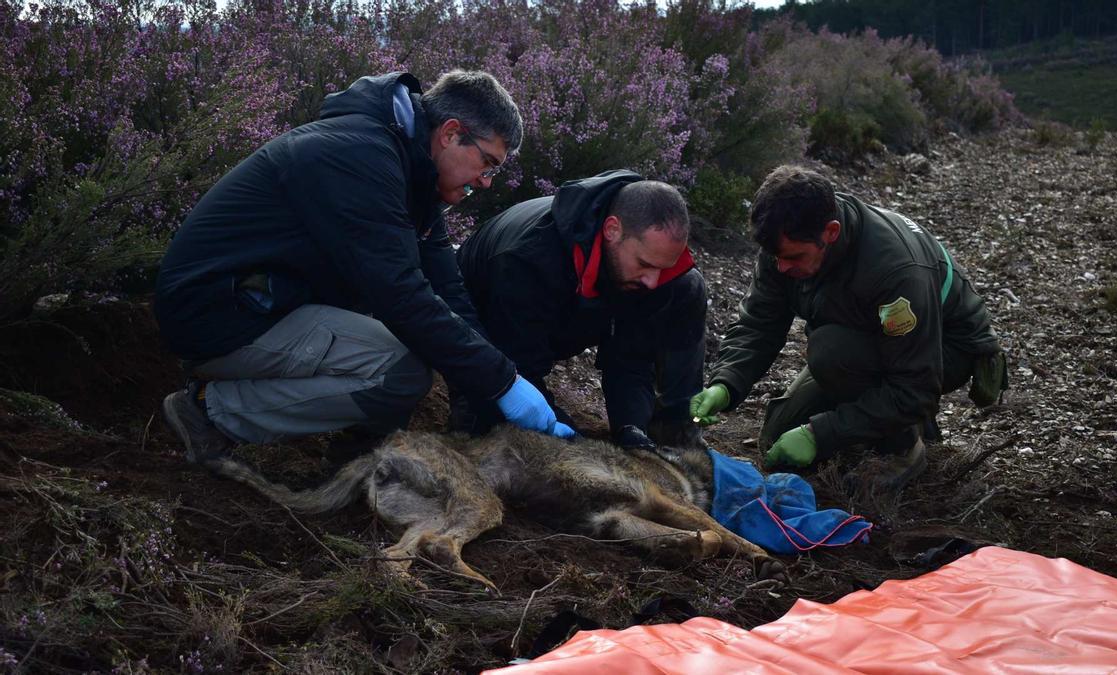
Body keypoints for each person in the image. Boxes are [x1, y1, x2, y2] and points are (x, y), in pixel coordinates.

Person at [155, 70, 573, 466]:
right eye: (489, 163)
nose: (486, 182)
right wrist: (503, 384)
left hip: (263, 302)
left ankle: (362, 452)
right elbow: (400, 294)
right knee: (402, 371)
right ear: (450, 134)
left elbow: (449, 292)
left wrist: (499, 386)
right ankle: (209, 412)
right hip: (217, 316)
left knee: (408, 342)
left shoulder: (412, 179)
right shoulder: (360, 158)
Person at [690, 166, 1006, 492]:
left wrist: (819, 434)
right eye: (776, 257)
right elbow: (759, 323)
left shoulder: (895, 271)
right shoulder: (785, 241)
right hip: (862, 338)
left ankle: (903, 446)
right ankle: (878, 416)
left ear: (831, 232)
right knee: (777, 437)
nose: (782, 267)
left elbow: (918, 386)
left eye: (793, 258)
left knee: (829, 353)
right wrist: (725, 385)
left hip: (942, 349)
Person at [455, 170, 707, 448]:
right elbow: (518, 368)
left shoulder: (638, 262)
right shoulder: (529, 258)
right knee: (492, 428)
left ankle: (674, 432)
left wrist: (630, 428)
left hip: (568, 308)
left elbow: (630, 356)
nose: (652, 280)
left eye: (662, 268)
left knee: (686, 284)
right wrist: (575, 440)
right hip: (477, 322)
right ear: (612, 230)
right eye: (645, 264)